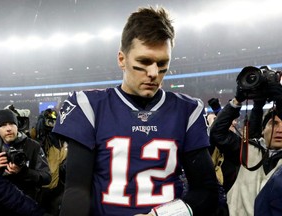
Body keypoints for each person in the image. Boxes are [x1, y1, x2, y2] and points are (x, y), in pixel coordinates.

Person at [53, 6, 218, 216]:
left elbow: (207, 191)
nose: (153, 73)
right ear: (122, 59)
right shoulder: (88, 106)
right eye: (144, 61)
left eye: (162, 64)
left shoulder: (188, 110)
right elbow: (76, 192)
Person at [209, 80, 282, 216]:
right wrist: (237, 100)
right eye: (274, 123)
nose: (280, 130)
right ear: (263, 129)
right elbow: (217, 133)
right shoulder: (247, 150)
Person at [0, 109, 51, 215]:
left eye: (12, 124)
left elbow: (47, 177)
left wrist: (24, 172)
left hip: (29, 207)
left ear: (17, 125)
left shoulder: (33, 146)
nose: (9, 128)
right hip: (0, 209)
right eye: (3, 125)